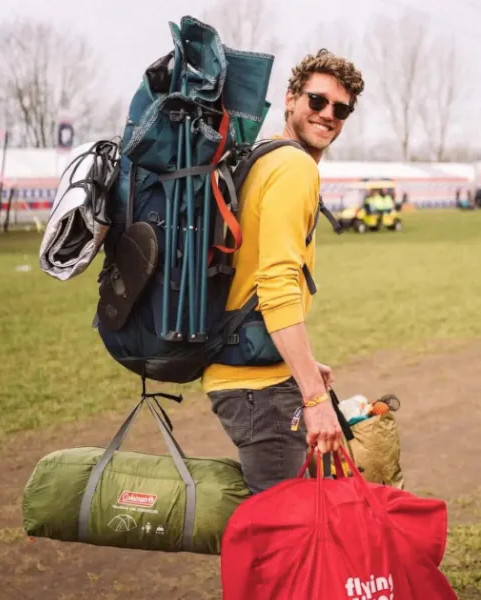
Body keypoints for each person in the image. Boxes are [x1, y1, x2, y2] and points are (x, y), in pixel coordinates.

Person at [201, 49, 365, 494]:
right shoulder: (294, 167)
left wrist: (305, 364)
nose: (328, 114)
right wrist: (314, 397)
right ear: (291, 98)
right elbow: (275, 285)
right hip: (260, 389)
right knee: (286, 540)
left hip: (245, 369)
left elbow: (249, 273)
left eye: (341, 109)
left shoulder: (262, 155)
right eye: (317, 100)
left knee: (286, 529)